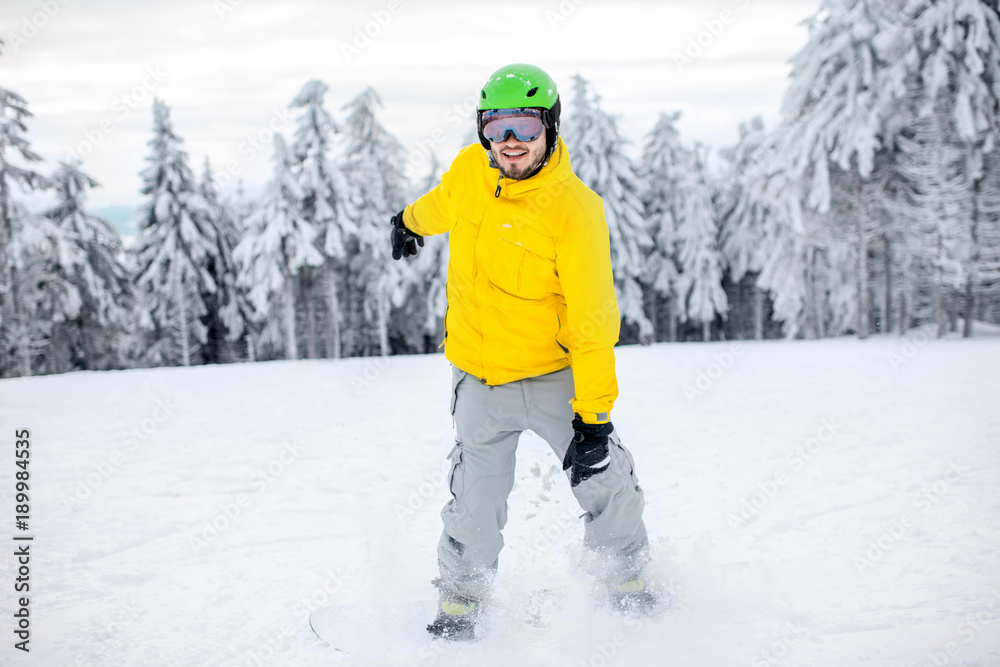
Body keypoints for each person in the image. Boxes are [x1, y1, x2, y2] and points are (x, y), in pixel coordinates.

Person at [390, 63, 654, 641]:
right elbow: (443, 203)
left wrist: (595, 416)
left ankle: (627, 580)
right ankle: (462, 600)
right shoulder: (469, 171)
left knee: (605, 478)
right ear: (483, 131)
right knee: (474, 501)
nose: (510, 144)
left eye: (525, 128)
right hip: (480, 379)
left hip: (554, 375)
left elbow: (592, 321)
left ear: (551, 129)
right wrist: (408, 222)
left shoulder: (574, 209)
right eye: (497, 128)